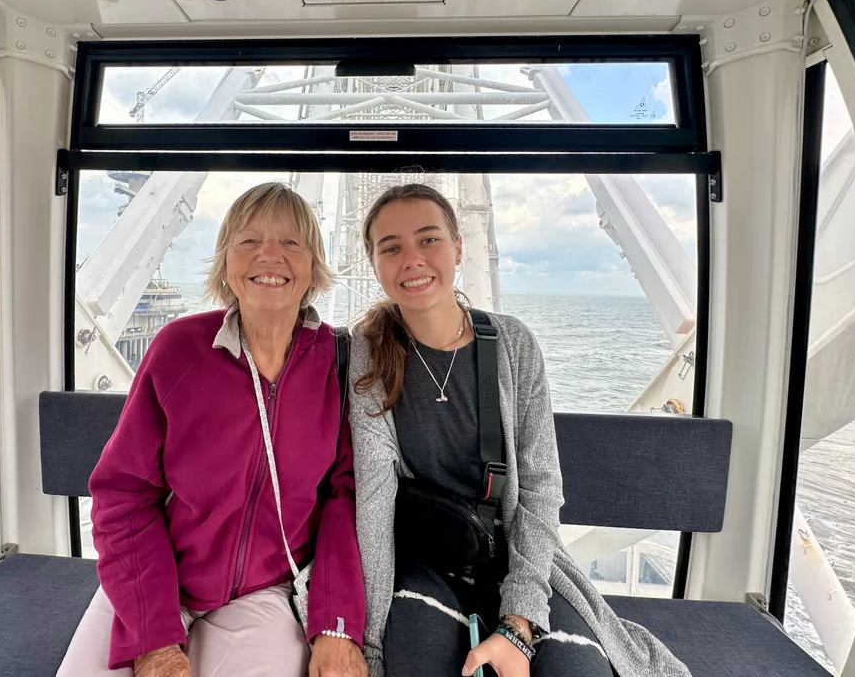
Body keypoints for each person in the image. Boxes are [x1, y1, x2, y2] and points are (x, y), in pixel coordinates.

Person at [348, 182, 690, 677]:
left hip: (518, 556)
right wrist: (371, 643)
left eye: (428, 240)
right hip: (426, 555)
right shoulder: (370, 351)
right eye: (391, 247)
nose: (412, 260)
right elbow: (375, 499)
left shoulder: (512, 344)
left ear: (458, 247)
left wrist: (518, 622)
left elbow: (539, 486)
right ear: (374, 263)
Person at [58, 182, 367, 677]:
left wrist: (336, 625)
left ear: (313, 267)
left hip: (266, 590)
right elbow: (123, 495)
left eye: (292, 242)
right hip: (157, 578)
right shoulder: (179, 350)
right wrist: (154, 641)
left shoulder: (338, 364)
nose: (270, 255)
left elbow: (343, 500)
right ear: (226, 263)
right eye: (248, 241)